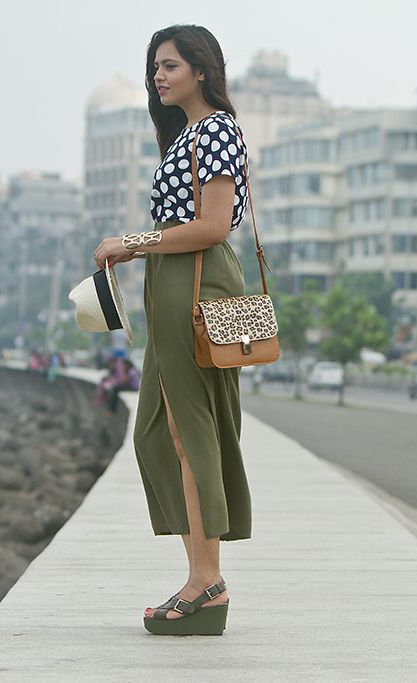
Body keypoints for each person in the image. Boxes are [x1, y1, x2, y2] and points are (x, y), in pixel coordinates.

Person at [92, 24, 251, 636]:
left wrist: (133, 241)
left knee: (191, 432)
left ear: (202, 70)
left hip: (199, 282)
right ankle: (202, 577)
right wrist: (140, 251)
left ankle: (206, 583)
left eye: (170, 65)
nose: (158, 76)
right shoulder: (186, 134)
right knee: (159, 435)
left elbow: (213, 226)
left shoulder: (216, 130)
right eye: (155, 66)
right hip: (172, 281)